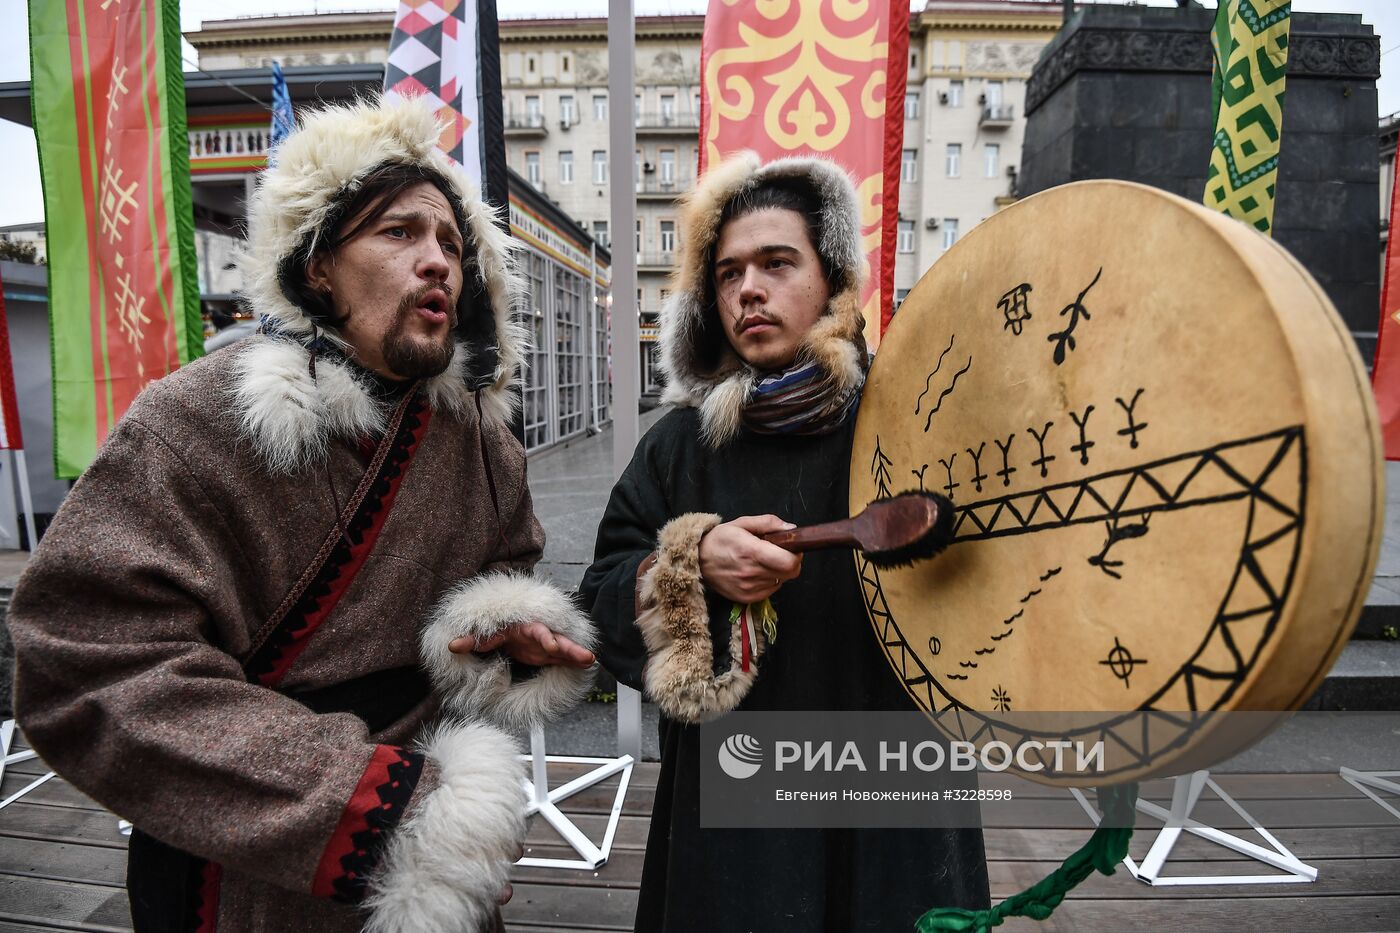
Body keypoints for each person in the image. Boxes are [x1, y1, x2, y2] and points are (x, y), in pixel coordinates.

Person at [8, 97, 598, 933]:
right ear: (318, 265)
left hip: (439, 847)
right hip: (244, 858)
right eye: (399, 232)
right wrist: (375, 807)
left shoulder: (481, 442)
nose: (437, 260)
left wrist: (497, 634)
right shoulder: (190, 419)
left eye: (452, 244)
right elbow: (86, 660)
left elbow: (504, 572)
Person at [579, 153, 990, 930]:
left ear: (832, 279)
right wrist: (690, 566)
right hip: (735, 805)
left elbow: (1000, 572)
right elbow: (599, 600)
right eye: (728, 273)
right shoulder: (678, 446)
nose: (749, 289)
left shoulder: (916, 419)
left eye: (777, 263)